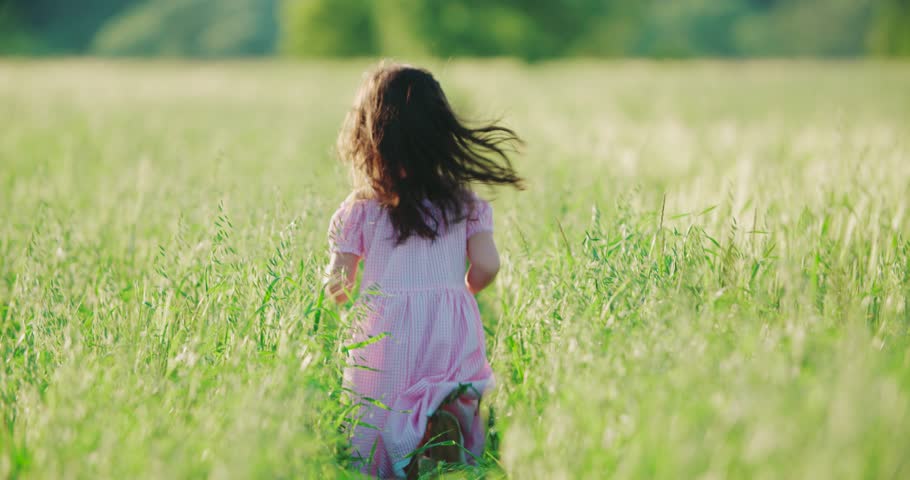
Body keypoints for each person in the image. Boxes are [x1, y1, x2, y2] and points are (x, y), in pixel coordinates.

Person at [324, 61, 523, 478]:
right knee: (449, 388)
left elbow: (339, 283)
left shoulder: (361, 208)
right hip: (449, 319)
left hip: (385, 326)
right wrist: (468, 286)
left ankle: (399, 454)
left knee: (378, 409)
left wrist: (340, 295)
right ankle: (438, 430)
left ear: (369, 136)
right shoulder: (462, 201)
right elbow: (488, 263)